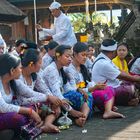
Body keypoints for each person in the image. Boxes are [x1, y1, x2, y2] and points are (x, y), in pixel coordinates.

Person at [65, 42, 124, 119]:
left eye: (86, 55)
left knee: (109, 88)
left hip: (86, 92)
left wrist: (96, 85)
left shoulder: (83, 68)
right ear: (75, 54)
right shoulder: (69, 70)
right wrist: (93, 88)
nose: (85, 57)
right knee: (87, 96)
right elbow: (74, 89)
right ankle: (84, 117)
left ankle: (107, 110)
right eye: (83, 55)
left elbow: (86, 84)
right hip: (77, 95)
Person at [42, 45, 90, 127]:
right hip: (49, 99)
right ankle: (49, 124)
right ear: (58, 56)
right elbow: (56, 93)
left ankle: (81, 118)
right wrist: (71, 111)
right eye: (67, 56)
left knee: (86, 96)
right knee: (73, 97)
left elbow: (68, 87)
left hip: (58, 98)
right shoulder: (51, 69)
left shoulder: (62, 69)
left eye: (71, 56)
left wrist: (79, 89)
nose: (70, 59)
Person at [18, 48, 62, 133]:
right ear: (31, 64)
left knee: (53, 106)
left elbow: (44, 89)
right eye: (40, 63)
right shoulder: (18, 76)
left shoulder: (35, 74)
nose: (41, 65)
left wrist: (54, 101)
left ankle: (47, 124)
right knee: (30, 111)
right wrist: (48, 97)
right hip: (22, 105)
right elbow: (22, 100)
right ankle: (39, 127)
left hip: (33, 103)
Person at [0, 53, 42, 131]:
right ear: (12, 70)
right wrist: (29, 111)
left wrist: (48, 97)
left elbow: (30, 94)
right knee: (16, 118)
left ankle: (23, 129)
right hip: (4, 114)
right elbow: (3, 107)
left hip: (8, 112)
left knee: (36, 105)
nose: (21, 70)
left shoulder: (13, 82)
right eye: (20, 68)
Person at [91, 39, 140, 106]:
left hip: (115, 84)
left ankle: (132, 100)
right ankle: (129, 100)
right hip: (107, 90)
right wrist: (136, 79)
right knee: (131, 89)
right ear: (114, 51)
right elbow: (123, 76)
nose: (121, 52)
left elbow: (120, 71)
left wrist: (134, 78)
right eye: (119, 50)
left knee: (134, 84)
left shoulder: (105, 59)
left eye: (124, 50)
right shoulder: (104, 63)